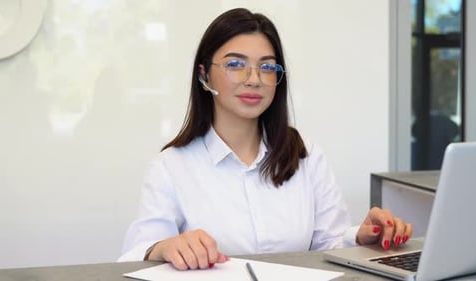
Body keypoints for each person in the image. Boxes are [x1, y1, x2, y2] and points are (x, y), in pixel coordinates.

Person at [118, 7, 413, 270]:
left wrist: (362, 236)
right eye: (235, 64)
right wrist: (164, 248)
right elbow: (132, 257)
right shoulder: (171, 166)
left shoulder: (306, 154)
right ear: (204, 74)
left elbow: (328, 246)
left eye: (268, 67)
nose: (254, 79)